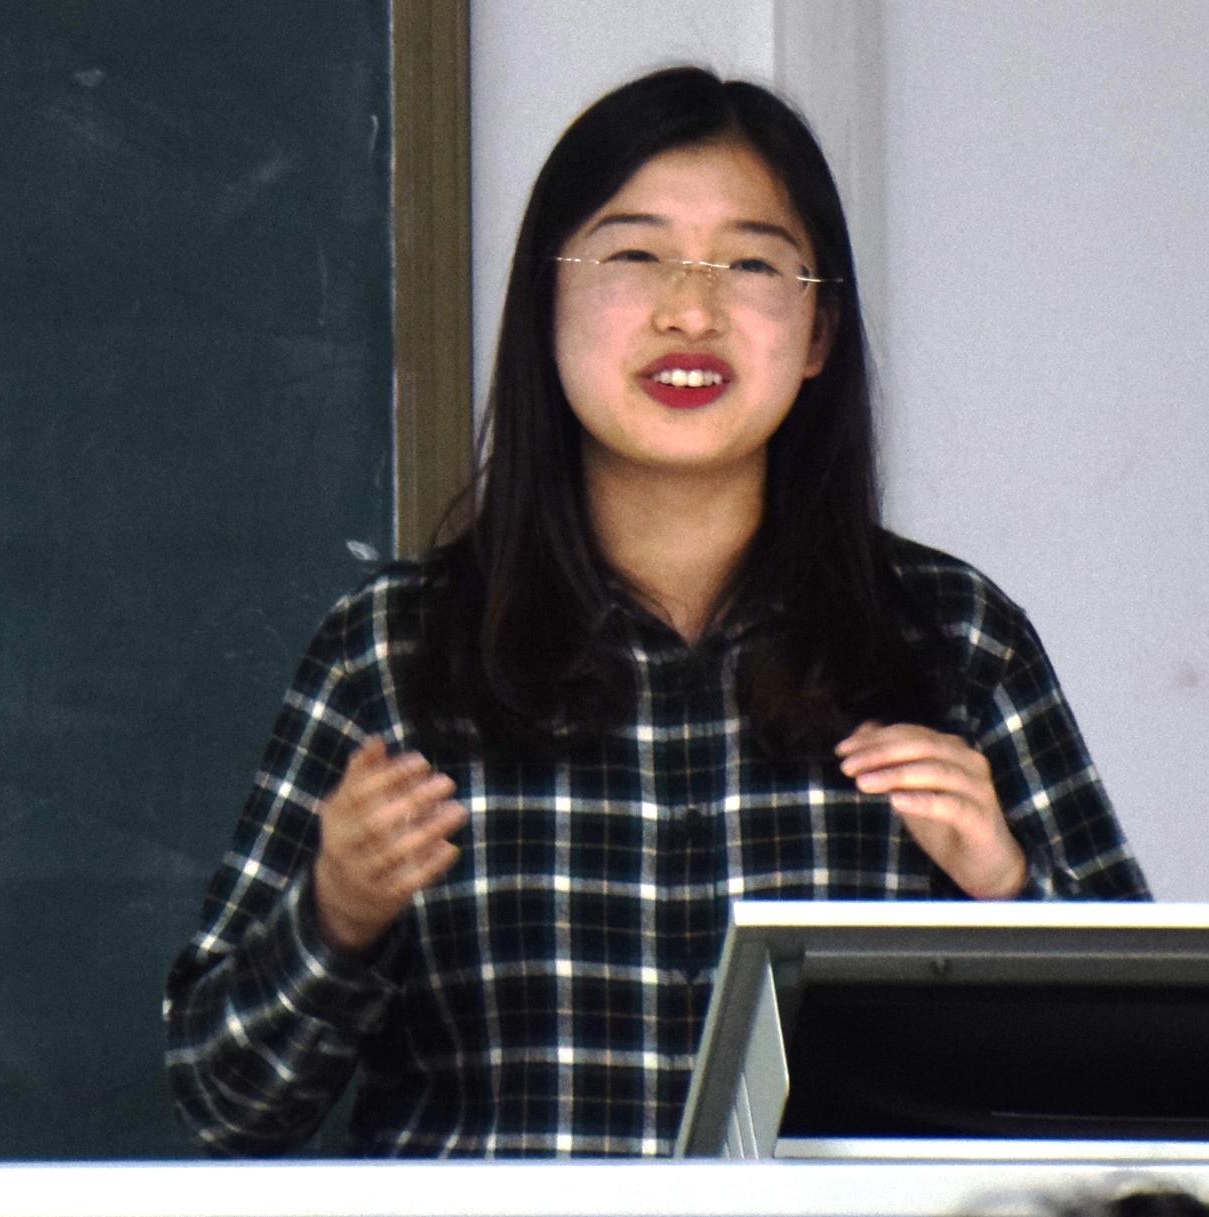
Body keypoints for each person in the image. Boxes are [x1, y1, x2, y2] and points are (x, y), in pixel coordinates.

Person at [163, 65, 1148, 1156]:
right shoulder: (397, 650)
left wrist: (1006, 887)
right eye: (633, 256)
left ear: (818, 333)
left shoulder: (952, 636)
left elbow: (1140, 1076)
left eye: (752, 263)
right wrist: (335, 914)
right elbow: (224, 1102)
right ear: (546, 303)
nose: (691, 309)